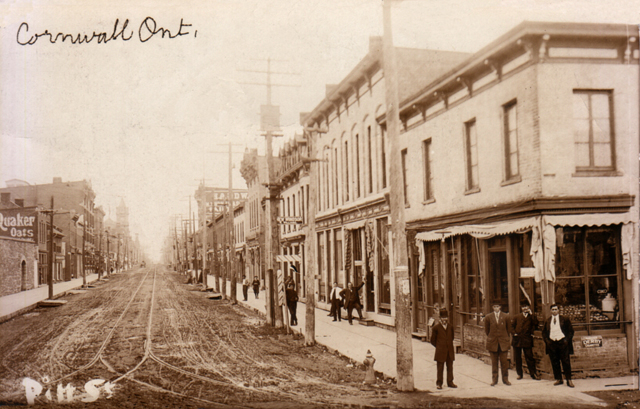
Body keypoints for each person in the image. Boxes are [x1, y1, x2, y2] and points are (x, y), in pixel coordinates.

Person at [542, 304, 575, 387]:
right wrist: (548, 342)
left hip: (562, 343)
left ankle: (569, 380)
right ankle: (558, 379)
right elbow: (544, 333)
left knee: (566, 361)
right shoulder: (548, 320)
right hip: (552, 343)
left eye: (556, 309)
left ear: (558, 310)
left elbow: (571, 331)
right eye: (552, 309)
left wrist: (566, 340)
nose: (554, 311)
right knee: (555, 362)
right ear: (550, 311)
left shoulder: (564, 319)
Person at [511, 302, 541, 380]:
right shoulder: (516, 316)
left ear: (529, 308)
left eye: (526, 307)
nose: (525, 308)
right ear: (521, 308)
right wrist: (514, 334)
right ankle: (519, 374)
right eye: (523, 307)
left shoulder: (531, 317)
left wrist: (532, 315)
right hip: (517, 340)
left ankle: (533, 373)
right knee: (518, 357)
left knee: (529, 357)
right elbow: (511, 326)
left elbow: (536, 324)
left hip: (527, 339)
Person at [484, 303, 511, 386]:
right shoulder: (488, 317)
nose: (496, 308)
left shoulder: (506, 316)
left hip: (503, 343)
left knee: (504, 362)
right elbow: (487, 330)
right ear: (492, 307)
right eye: (494, 306)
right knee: (494, 363)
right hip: (493, 343)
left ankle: (505, 379)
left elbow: (508, 329)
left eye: (497, 306)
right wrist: (492, 337)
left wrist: (504, 338)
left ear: (500, 307)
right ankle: (494, 380)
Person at [430, 309, 457, 390]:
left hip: (449, 350)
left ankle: (450, 382)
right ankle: (439, 383)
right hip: (440, 350)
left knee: (450, 367)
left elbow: (452, 337)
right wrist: (439, 346)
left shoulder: (450, 326)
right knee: (440, 367)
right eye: (443, 317)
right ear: (440, 318)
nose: (445, 319)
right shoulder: (436, 328)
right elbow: (432, 341)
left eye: (446, 317)